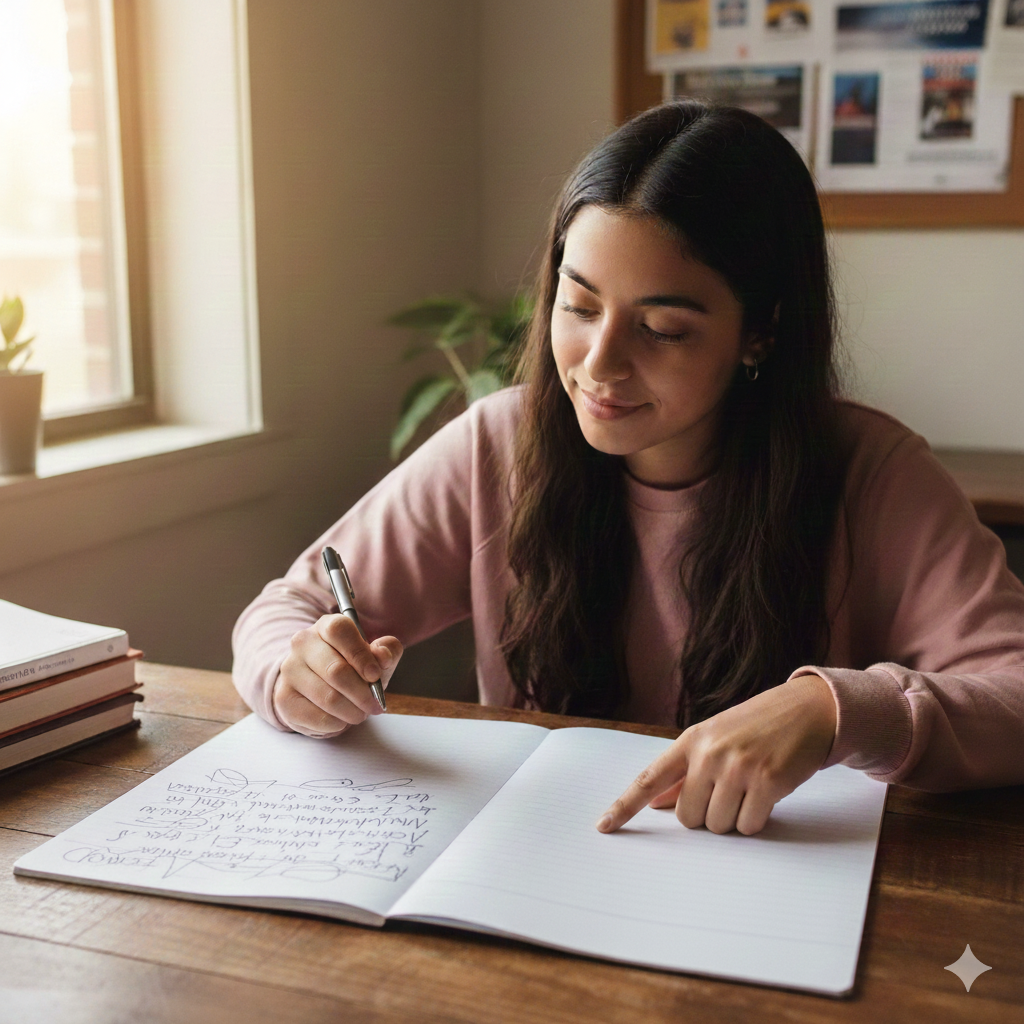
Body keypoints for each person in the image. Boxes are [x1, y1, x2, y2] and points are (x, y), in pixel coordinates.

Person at [233, 100, 1024, 838]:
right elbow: (290, 608)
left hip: (777, 896)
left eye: (663, 329)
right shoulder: (498, 444)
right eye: (579, 308)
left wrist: (831, 709)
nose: (599, 364)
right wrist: (298, 673)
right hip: (534, 866)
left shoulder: (872, 473)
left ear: (761, 332)